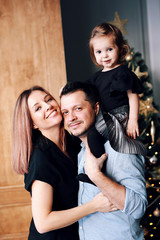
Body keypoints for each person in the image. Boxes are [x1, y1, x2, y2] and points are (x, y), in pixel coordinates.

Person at [11, 85, 116, 240]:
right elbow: (43, 223)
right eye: (38, 108)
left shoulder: (71, 141)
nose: (48, 106)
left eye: (49, 99)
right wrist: (93, 206)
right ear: (32, 123)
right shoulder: (41, 158)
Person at [60, 81, 148, 240]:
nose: (71, 117)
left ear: (96, 108)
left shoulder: (120, 147)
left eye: (78, 108)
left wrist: (96, 176)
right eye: (65, 112)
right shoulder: (82, 151)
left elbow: (139, 208)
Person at [87, 22, 146, 157]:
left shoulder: (122, 73)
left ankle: (102, 164)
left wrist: (133, 119)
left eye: (109, 49)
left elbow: (133, 96)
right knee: (92, 136)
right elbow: (83, 93)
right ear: (94, 54)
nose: (105, 55)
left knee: (103, 138)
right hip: (104, 117)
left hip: (121, 116)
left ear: (119, 48)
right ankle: (97, 165)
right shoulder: (96, 78)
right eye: (99, 52)